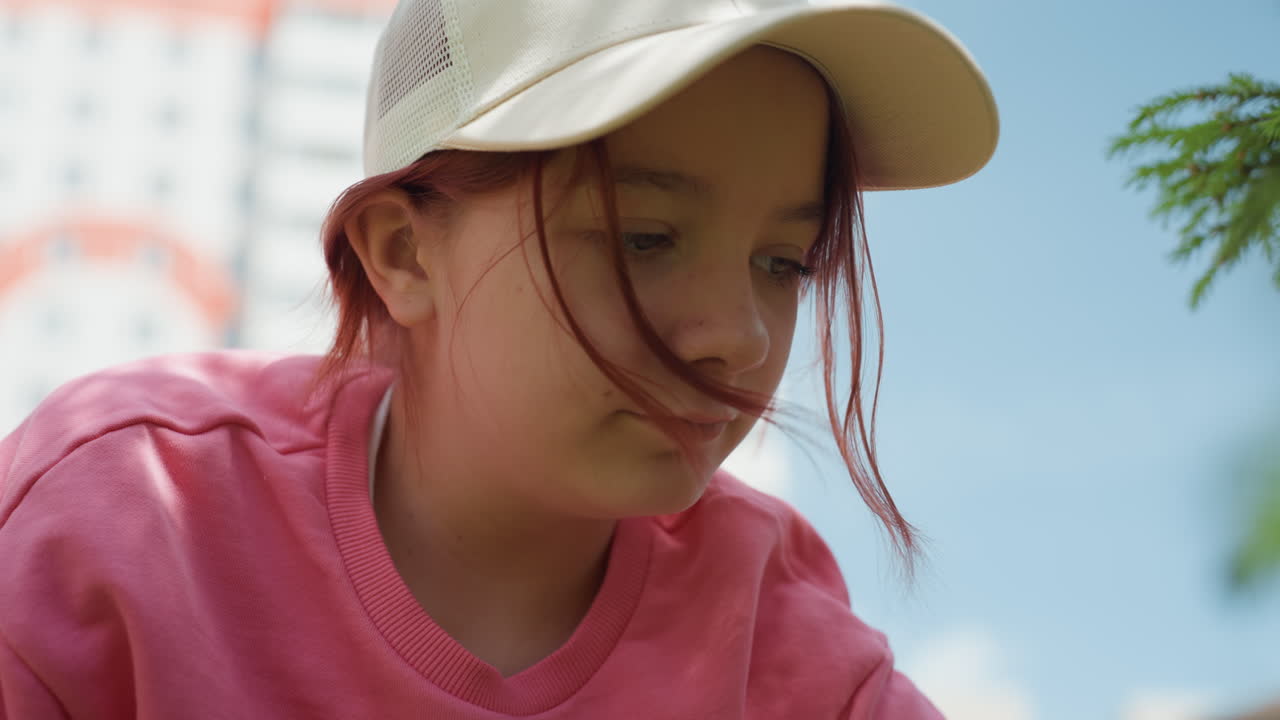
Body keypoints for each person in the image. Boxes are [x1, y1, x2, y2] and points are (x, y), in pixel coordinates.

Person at [0, 0, 998, 717]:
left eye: (784, 262)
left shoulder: (783, 655)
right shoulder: (124, 517)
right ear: (401, 253)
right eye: (643, 237)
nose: (738, 334)